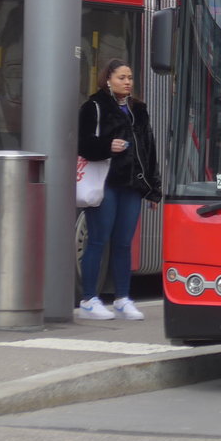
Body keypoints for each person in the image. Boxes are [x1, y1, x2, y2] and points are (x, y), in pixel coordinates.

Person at [76, 59, 162, 321]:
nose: (127, 82)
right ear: (108, 79)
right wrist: (106, 147)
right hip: (105, 183)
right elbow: (83, 145)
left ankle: (123, 299)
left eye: (130, 78)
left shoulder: (139, 109)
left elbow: (149, 149)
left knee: (124, 243)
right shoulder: (94, 106)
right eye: (121, 77)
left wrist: (153, 189)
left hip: (132, 185)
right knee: (98, 240)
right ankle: (89, 300)